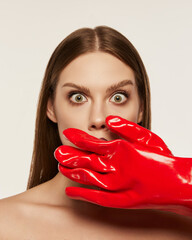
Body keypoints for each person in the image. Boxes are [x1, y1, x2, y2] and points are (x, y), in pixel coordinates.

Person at [0, 26, 192, 239]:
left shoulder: (182, 225)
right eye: (78, 97)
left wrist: (186, 182)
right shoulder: (4, 222)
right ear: (51, 108)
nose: (98, 119)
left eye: (118, 97)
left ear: (141, 108)